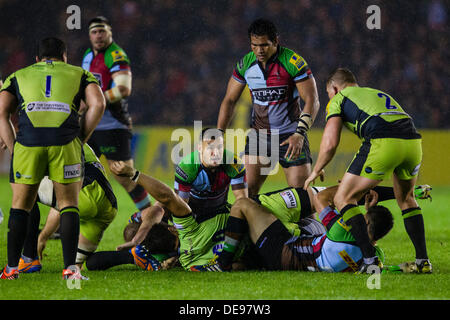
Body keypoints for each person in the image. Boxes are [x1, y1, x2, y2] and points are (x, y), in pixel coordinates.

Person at [304, 68, 432, 273]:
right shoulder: (374, 93)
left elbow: (330, 142)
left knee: (343, 198)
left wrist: (316, 169)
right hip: (413, 142)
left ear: (335, 88)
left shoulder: (340, 98)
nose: (330, 99)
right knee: (407, 199)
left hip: (383, 140)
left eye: (329, 94)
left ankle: (369, 260)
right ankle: (423, 261)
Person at [0, 37, 105, 280]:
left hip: (28, 144)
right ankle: (70, 270)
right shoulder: (79, 73)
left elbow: (2, 111)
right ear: (64, 57)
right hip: (65, 143)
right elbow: (98, 104)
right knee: (69, 204)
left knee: (20, 205)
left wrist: (14, 147)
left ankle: (11, 269)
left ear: (37, 59)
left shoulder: (18, 75)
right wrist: (81, 137)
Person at [217, 18, 320, 197]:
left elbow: (312, 100)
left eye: (264, 45)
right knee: (246, 195)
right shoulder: (245, 64)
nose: (259, 50)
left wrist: (300, 133)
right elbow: (229, 100)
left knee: (302, 196)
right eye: (254, 45)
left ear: (276, 41)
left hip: (291, 135)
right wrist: (219, 134)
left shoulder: (293, 62)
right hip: (260, 136)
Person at [81, 16, 152, 215]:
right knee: (73, 172)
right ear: (89, 35)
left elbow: (123, 89)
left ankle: (153, 219)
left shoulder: (116, 54)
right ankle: (66, 221)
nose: (98, 36)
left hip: (112, 127)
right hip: (90, 125)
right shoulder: (88, 55)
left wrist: (94, 101)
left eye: (102, 31)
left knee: (125, 178)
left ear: (110, 33)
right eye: (94, 32)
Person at [16, 144, 118, 275]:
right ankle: (133, 256)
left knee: (25, 189)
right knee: (81, 265)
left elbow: (65, 199)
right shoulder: (81, 143)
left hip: (85, 197)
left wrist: (42, 237)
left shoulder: (57, 140)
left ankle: (28, 258)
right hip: (108, 208)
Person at [174, 128, 248, 223]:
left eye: (220, 147)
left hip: (220, 212)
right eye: (210, 147)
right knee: (163, 203)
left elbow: (242, 200)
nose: (216, 153)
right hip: (192, 212)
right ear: (200, 148)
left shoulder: (234, 163)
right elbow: (180, 206)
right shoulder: (186, 167)